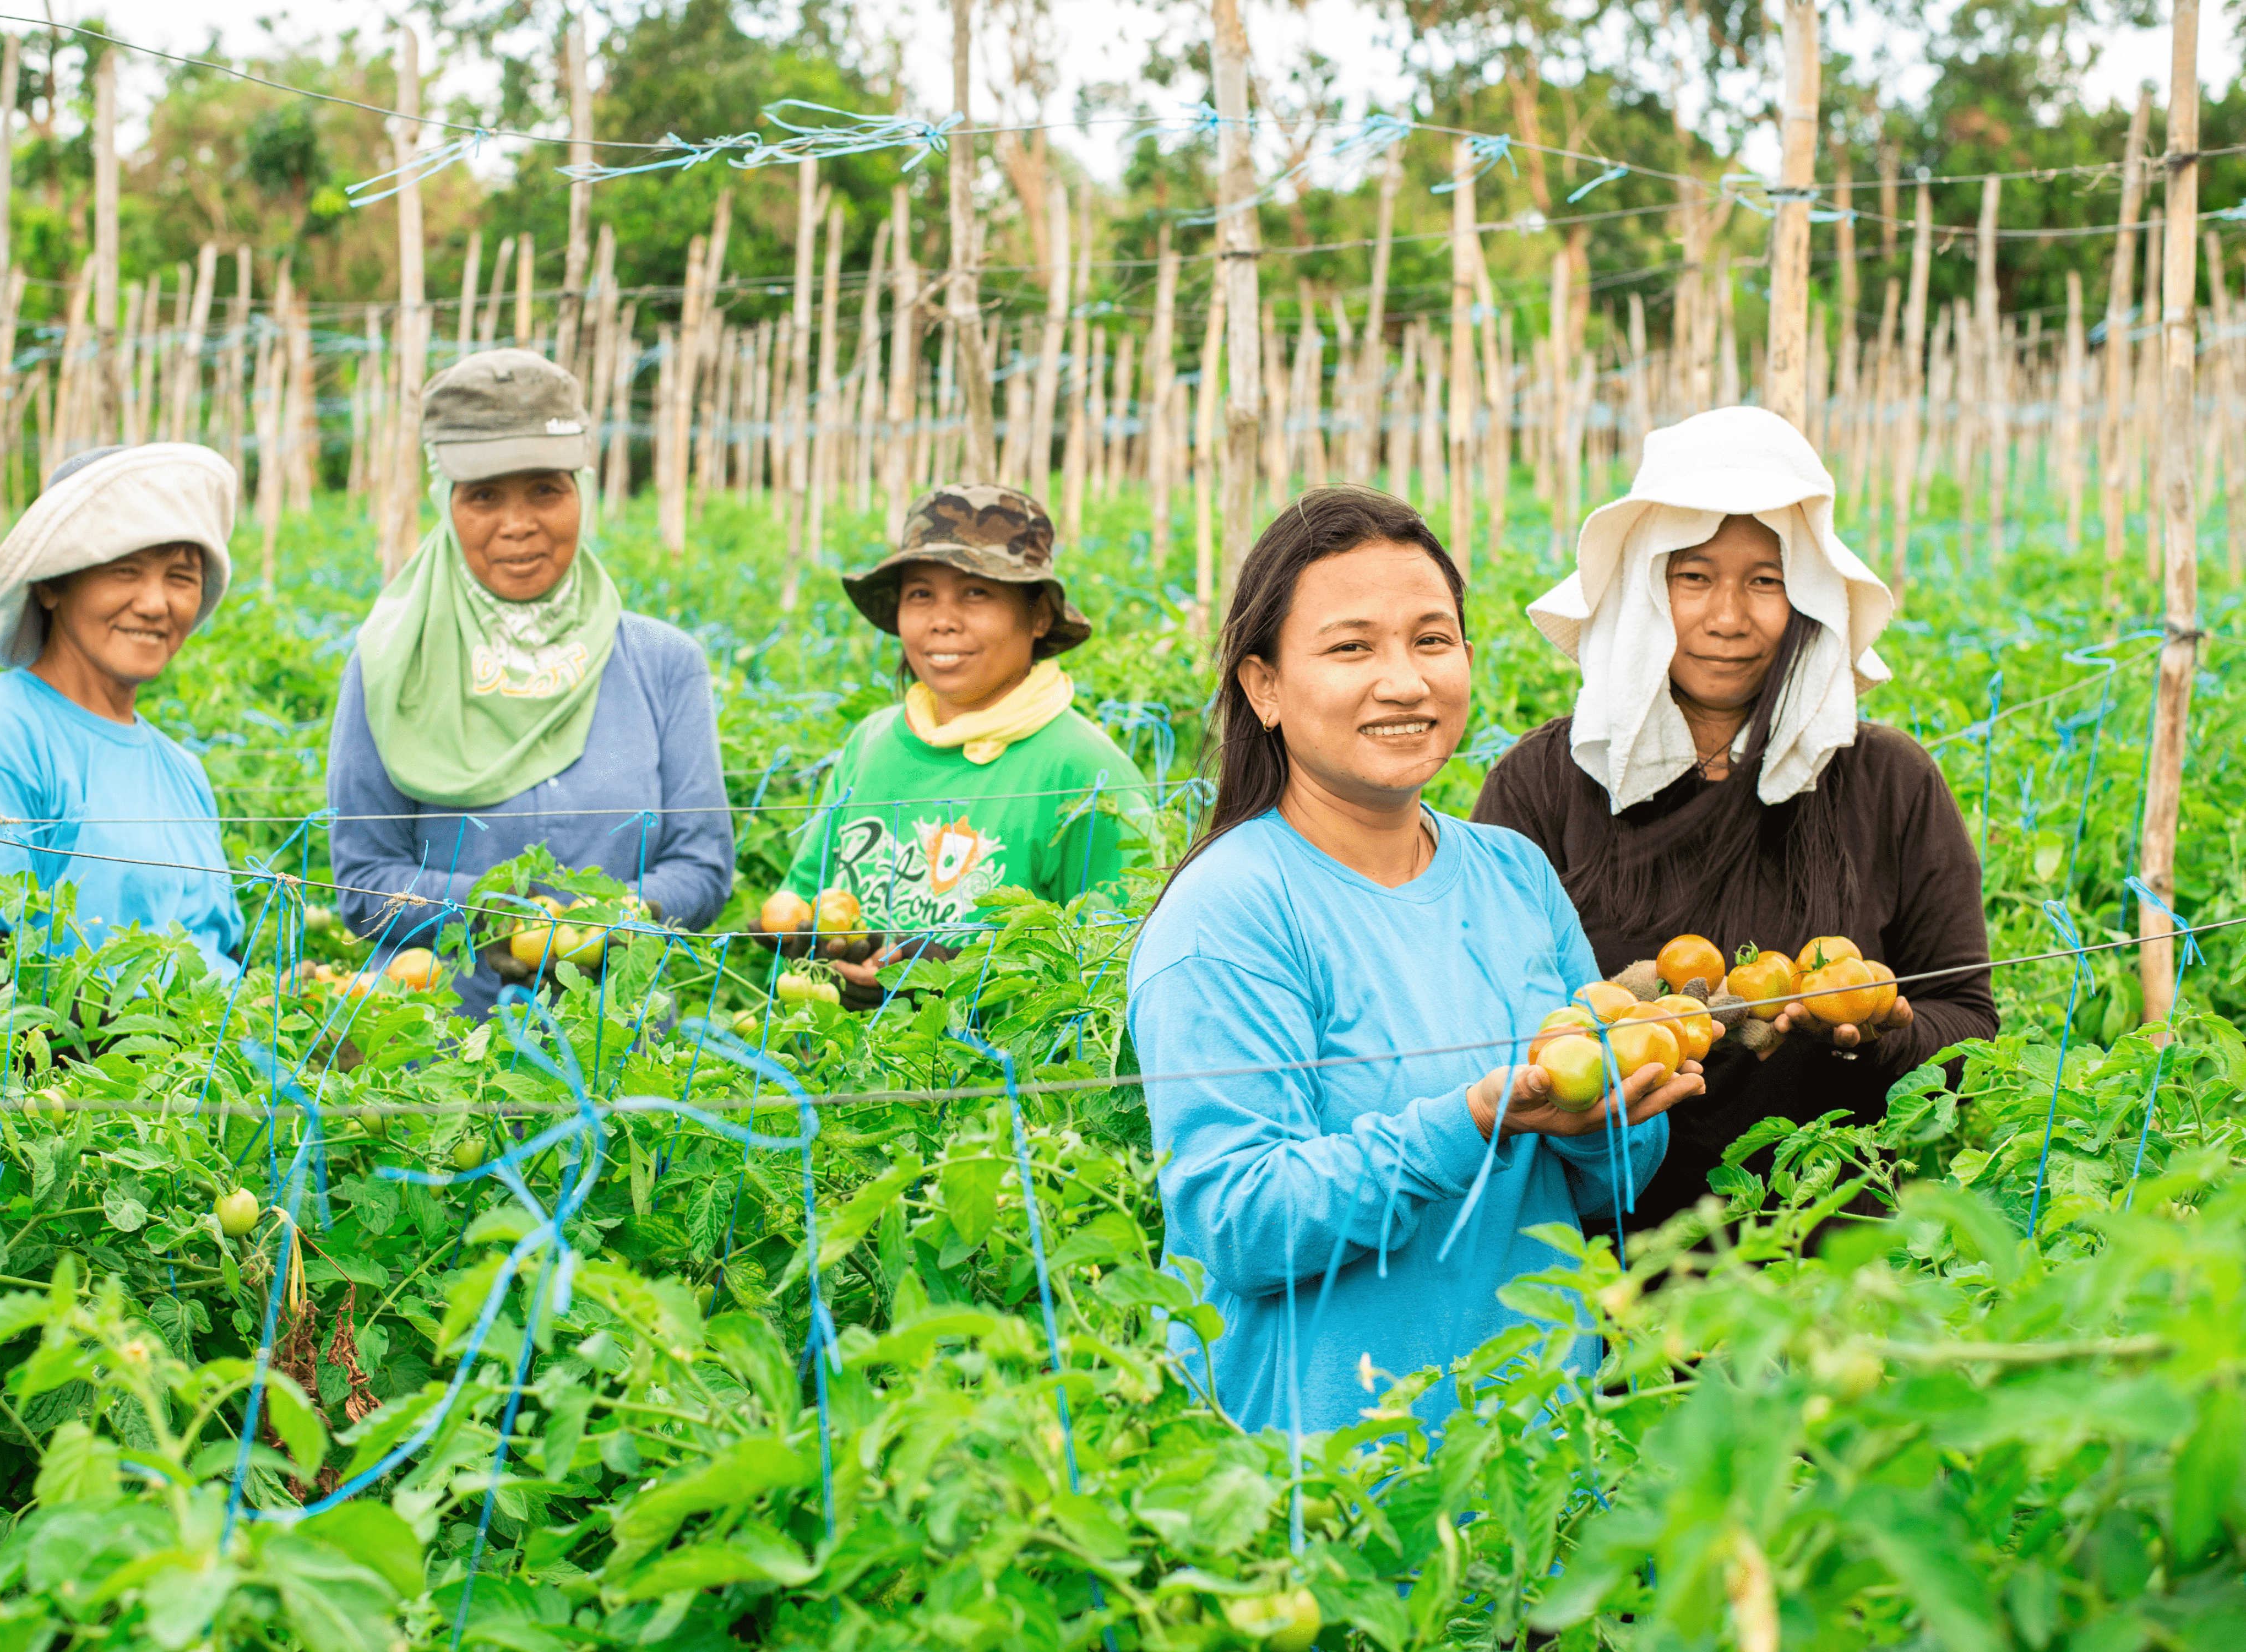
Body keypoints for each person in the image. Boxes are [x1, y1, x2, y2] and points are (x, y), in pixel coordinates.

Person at [1129, 486, 1703, 1437]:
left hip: (1537, 1469)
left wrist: (1600, 1124)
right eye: (1352, 648)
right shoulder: (1227, 914)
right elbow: (1239, 1223)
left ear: (1468, 661)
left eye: (1431, 641)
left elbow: (1610, 1186)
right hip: (1327, 1490)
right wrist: (1472, 1120)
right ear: (1263, 686)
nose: (1404, 680)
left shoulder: (1513, 874)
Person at [1470, 406, 1995, 1229]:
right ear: (1646, 588)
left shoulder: (1888, 783)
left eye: (1767, 579)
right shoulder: (1545, 785)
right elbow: (1484, 1027)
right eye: (1693, 577)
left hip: (1832, 1249)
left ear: (1812, 595)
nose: (1728, 617)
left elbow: (1967, 1025)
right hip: (1596, 1254)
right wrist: (1601, 1037)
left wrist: (1883, 1029)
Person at [327, 350, 732, 1015]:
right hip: (436, 1063)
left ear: (582, 491)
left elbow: (703, 867)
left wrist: (622, 918)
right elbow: (366, 885)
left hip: (619, 1054)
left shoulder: (664, 664)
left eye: (546, 489)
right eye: (483, 496)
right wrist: (486, 914)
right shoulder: (388, 665)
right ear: (444, 500)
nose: (518, 524)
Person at [0, 443, 246, 1015]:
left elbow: (216, 960)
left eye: (181, 577)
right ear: (51, 585)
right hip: (89, 1103)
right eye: (124, 571)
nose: (155, 603)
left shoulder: (183, 772)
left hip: (208, 1098)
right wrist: (156, 1036)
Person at [775, 485, 1151, 1005]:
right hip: (840, 1068)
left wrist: (958, 976)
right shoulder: (873, 742)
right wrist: (805, 939)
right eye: (921, 594)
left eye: (976, 593)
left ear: (1039, 615)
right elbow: (803, 893)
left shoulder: (1083, 768)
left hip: (1008, 1081)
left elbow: (1121, 961)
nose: (943, 619)